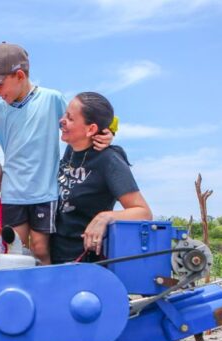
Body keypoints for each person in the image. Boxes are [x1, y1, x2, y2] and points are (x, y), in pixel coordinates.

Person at [0, 42, 113, 264]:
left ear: (19, 75)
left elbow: (76, 125)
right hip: (13, 193)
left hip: (44, 191)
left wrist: (107, 132)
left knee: (39, 247)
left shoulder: (51, 99)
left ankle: (46, 289)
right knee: (15, 249)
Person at [51, 92, 152, 264]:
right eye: (64, 115)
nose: (62, 121)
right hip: (54, 257)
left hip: (84, 262)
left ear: (91, 129)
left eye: (70, 118)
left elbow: (143, 212)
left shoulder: (109, 160)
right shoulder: (71, 150)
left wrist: (104, 217)